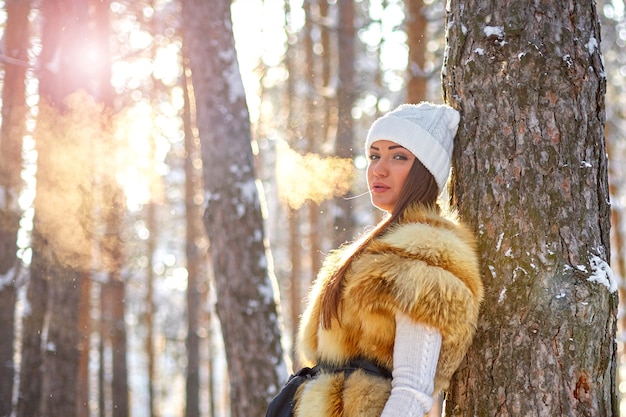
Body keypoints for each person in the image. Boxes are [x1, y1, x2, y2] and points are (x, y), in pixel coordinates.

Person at [293, 102, 484, 417]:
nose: (378, 169)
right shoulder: (371, 249)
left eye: (399, 156)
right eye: (374, 155)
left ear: (426, 169)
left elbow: (413, 390)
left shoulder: (425, 257)